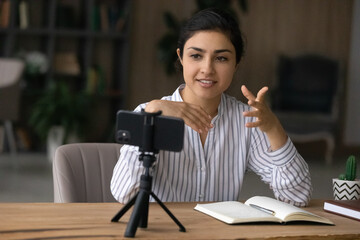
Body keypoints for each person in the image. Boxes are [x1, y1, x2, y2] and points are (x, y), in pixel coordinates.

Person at [111, 8, 312, 207]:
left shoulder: (247, 120)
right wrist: (152, 116)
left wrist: (273, 128)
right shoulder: (149, 112)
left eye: (221, 58)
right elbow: (124, 194)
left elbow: (298, 197)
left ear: (237, 63)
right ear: (181, 57)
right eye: (196, 56)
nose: (207, 69)